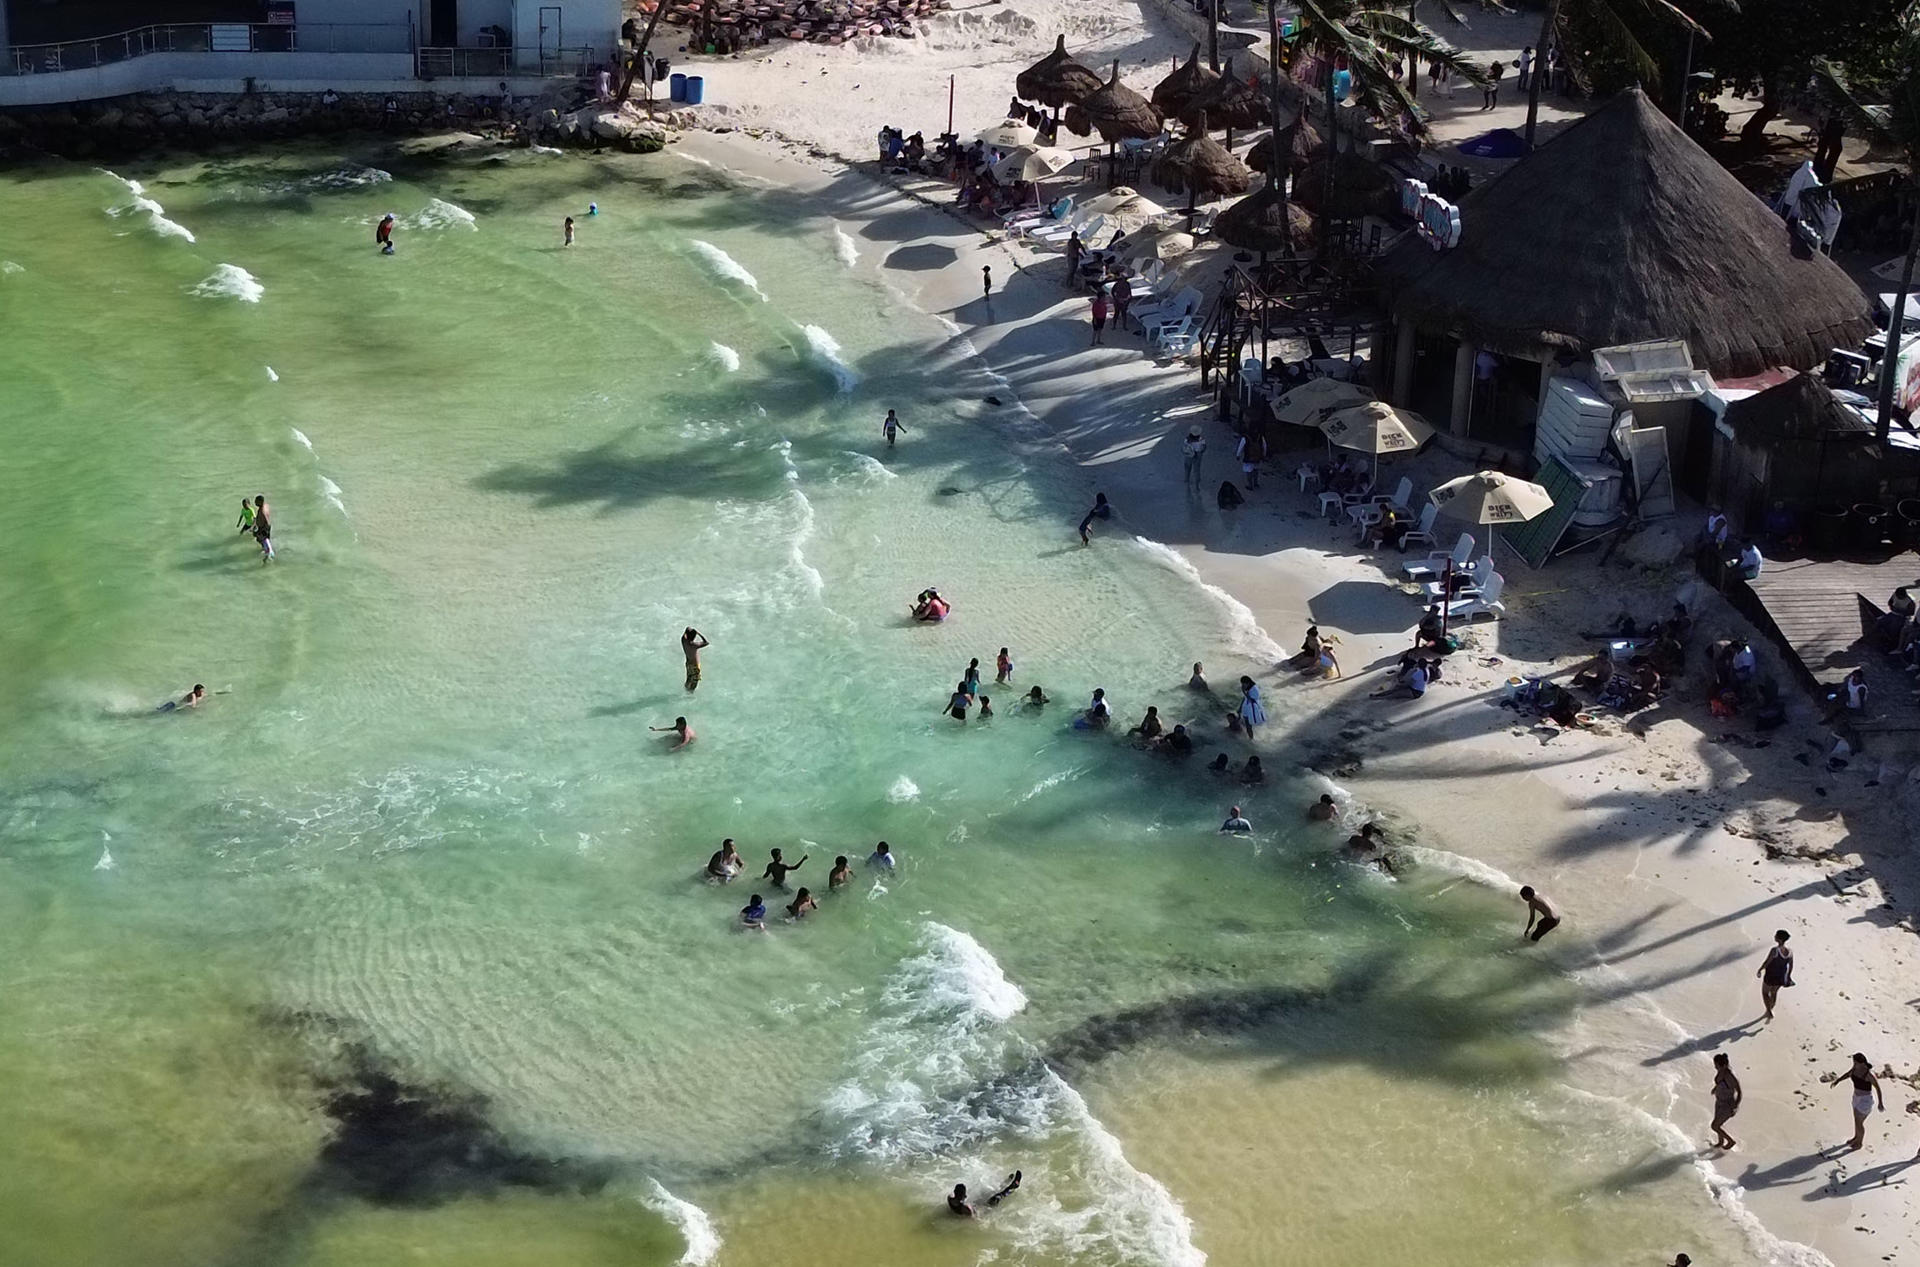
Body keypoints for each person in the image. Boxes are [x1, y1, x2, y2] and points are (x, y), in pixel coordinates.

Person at [1834, 1052, 1883, 1150]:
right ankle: (1856, 1138)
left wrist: (1880, 1103)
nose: (1854, 1064)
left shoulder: (1868, 1074)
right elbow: (1848, 1074)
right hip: (1856, 1097)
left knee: (1859, 1122)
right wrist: (1838, 1080)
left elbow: (1877, 1087)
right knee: (1856, 1121)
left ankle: (1859, 1143)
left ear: (1862, 1063)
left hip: (1865, 1101)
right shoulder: (1855, 1069)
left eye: (1855, 1062)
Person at [1709, 1053, 1742, 1150]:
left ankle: (1731, 1141)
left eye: (1717, 1065)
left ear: (1723, 1065)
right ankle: (1720, 1142)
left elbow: (1739, 1092)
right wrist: (1715, 1088)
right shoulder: (1721, 1071)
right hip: (1719, 1102)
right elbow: (1720, 1082)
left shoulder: (1730, 1077)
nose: (1715, 1067)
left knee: (1714, 1126)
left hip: (1727, 1105)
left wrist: (1735, 1106)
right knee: (1718, 1124)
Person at [682, 627, 710, 692]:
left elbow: (687, 628)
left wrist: (691, 632)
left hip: (688, 663)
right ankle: (690, 695)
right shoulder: (694, 645)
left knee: (688, 679)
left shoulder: (683, 640)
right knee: (694, 683)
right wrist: (699, 634)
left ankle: (685, 690)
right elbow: (706, 642)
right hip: (695, 667)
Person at [1182, 425, 1206, 491]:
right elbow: (1203, 447)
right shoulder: (1201, 439)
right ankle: (1196, 486)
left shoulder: (1187, 439)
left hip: (1189, 454)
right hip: (1198, 454)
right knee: (1197, 470)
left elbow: (1184, 447)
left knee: (1187, 467)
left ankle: (1186, 479)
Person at [253, 495, 275, 562]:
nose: (255, 503)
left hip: (263, 528)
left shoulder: (262, 511)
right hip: (264, 527)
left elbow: (265, 518)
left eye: (256, 501)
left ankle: (268, 554)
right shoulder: (265, 506)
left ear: (260, 502)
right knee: (259, 539)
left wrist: (265, 529)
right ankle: (265, 549)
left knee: (263, 540)